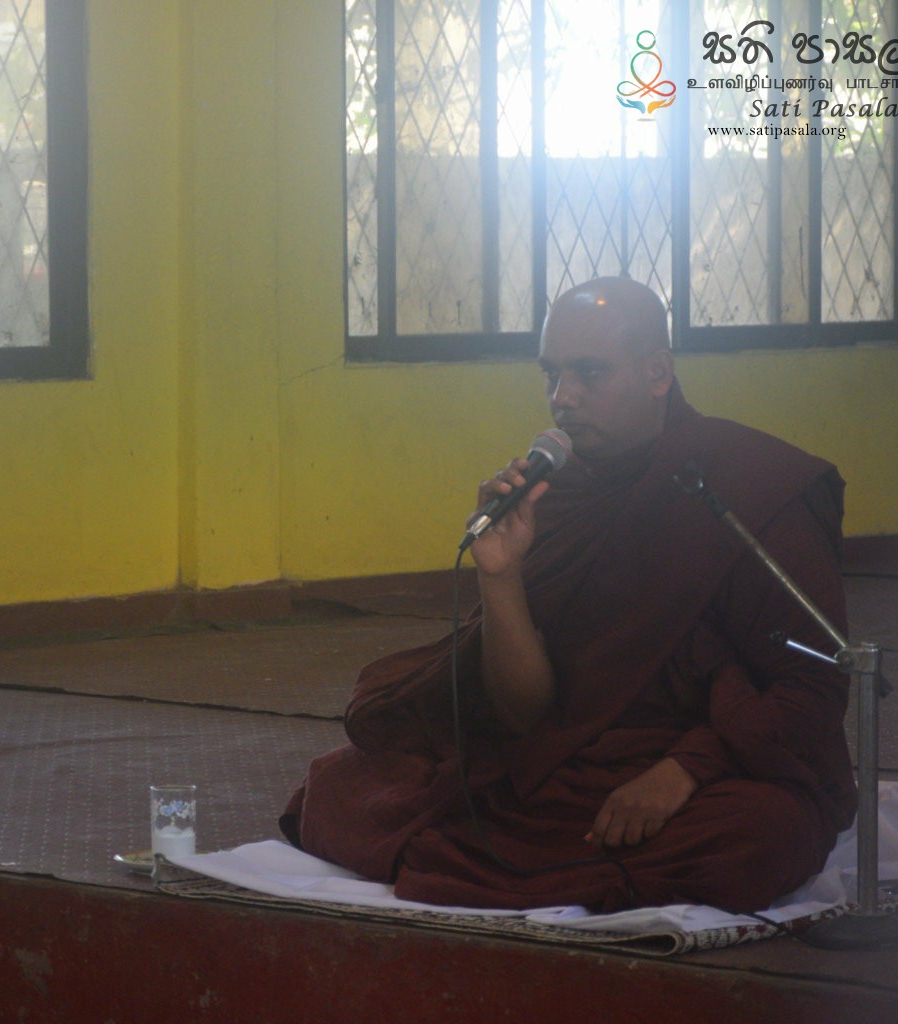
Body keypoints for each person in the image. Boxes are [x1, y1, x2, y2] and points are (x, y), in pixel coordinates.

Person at [280, 277, 857, 913]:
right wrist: (500, 574)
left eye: (590, 373)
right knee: (339, 784)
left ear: (658, 373)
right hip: (560, 767)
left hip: (697, 765)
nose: (563, 399)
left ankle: (541, 866)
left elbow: (813, 686)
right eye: (551, 375)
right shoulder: (555, 499)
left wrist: (685, 770)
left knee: (760, 833)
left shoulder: (751, 485)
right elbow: (524, 714)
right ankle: (574, 870)